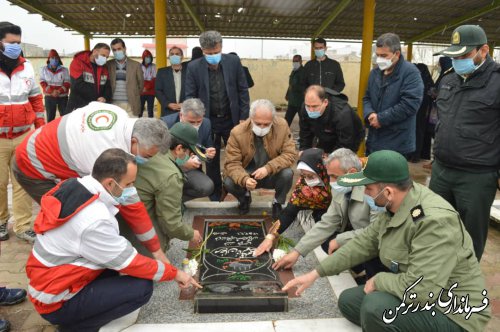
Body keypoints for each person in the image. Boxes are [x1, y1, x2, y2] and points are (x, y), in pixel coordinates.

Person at [283, 150, 491, 332]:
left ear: (388, 191)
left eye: (368, 189)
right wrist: (315, 274)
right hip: (419, 293)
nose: (364, 193)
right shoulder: (396, 204)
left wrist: (380, 281)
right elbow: (363, 243)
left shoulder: (435, 222)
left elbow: (421, 290)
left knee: (376, 306)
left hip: (452, 312)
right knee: (349, 302)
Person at [26, 148, 201, 332]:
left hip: (51, 279)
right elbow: (131, 262)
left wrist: (156, 250)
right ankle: (77, 327)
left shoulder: (79, 185)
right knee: (141, 288)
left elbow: (137, 217)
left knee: (125, 271)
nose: (131, 189)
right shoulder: (94, 220)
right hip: (56, 299)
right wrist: (175, 274)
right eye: (128, 184)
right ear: (110, 183)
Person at [13, 102, 170, 263]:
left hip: (45, 143)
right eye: (147, 156)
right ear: (135, 141)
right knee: (71, 215)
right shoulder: (104, 150)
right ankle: (64, 262)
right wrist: (156, 251)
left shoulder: (120, 115)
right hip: (32, 165)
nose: (146, 160)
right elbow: (132, 206)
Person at [430, 25, 500, 261]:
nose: (458, 60)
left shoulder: (497, 82)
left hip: (476, 176)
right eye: (455, 56)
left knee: (470, 238)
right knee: (434, 229)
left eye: (465, 55)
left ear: (484, 50)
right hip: (442, 170)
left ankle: (463, 290)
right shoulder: (449, 80)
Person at [185, 30, 250, 201]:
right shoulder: (193, 67)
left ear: (221, 47)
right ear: (202, 50)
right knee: (210, 159)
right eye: (209, 53)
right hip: (208, 121)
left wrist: (244, 116)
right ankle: (215, 195)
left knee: (237, 156)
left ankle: (239, 190)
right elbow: (190, 96)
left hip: (232, 119)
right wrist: (196, 121)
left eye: (216, 52)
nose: (213, 56)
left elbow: (242, 89)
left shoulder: (233, 62)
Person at [123, 123, 205, 256]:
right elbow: (171, 223)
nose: (188, 157)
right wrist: (191, 234)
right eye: (188, 153)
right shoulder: (171, 175)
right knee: (155, 258)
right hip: (137, 225)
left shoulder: (150, 150)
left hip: (122, 216)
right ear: (179, 149)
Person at [0, 22, 44, 243]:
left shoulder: (26, 66)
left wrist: (40, 128)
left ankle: (23, 226)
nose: (16, 46)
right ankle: (1, 222)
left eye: (18, 42)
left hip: (23, 135)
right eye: (11, 43)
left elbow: (36, 98)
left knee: (22, 182)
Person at [223, 99, 296, 219]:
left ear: (273, 120)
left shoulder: (282, 126)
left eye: (267, 124)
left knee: (287, 173)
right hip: (247, 175)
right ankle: (244, 198)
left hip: (271, 173)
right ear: (251, 118)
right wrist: (244, 179)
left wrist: (268, 168)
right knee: (229, 181)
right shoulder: (237, 132)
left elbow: (290, 154)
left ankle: (278, 202)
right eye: (258, 123)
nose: (262, 127)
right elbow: (232, 163)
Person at [254, 148, 332, 254]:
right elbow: (289, 213)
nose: (308, 180)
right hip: (324, 214)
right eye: (304, 175)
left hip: (343, 217)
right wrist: (270, 236)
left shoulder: (335, 179)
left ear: (322, 170)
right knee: (327, 243)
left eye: (311, 176)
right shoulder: (303, 187)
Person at [363, 33, 423, 157]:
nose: (380, 59)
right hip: (374, 139)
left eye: (384, 56)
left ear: (397, 54)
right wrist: (370, 114)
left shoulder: (410, 73)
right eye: (378, 55)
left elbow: (410, 104)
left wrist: (381, 118)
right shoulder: (375, 73)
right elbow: (367, 97)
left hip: (397, 142)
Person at [162, 98, 216, 202]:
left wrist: (207, 155)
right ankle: (167, 201)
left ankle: (177, 201)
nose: (195, 125)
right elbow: (158, 158)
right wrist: (182, 163)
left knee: (207, 187)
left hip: (191, 170)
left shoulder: (206, 124)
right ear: (181, 115)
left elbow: (205, 151)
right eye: (191, 122)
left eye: (198, 121)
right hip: (167, 170)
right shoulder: (165, 124)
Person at [299, 85, 364, 154]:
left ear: (325, 102)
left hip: (351, 136)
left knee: (342, 160)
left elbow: (345, 144)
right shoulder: (306, 107)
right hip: (325, 132)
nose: (311, 110)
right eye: (308, 106)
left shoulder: (341, 114)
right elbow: (305, 132)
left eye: (315, 106)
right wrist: (304, 150)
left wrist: (331, 158)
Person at [66, 43, 112, 113]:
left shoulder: (104, 68)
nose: (105, 59)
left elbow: (107, 87)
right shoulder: (78, 62)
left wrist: (105, 98)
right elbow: (77, 85)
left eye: (107, 57)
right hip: (78, 107)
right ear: (94, 52)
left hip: (96, 107)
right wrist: (96, 98)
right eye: (103, 55)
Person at [107, 38, 144, 118]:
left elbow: (140, 85)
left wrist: (133, 93)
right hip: (112, 105)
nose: (117, 51)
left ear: (124, 48)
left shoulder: (136, 65)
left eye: (119, 49)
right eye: (114, 50)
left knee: (131, 129)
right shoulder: (108, 65)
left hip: (131, 105)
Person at [410, 63, 434, 162]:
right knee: (419, 133)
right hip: (423, 115)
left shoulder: (413, 81)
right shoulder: (428, 82)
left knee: (415, 132)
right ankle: (417, 155)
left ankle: (413, 155)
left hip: (415, 113)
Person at [39, 49, 70, 122]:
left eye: (56, 58)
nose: (54, 60)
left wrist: (59, 91)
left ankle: (64, 132)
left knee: (64, 117)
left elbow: (67, 83)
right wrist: (51, 91)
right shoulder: (43, 70)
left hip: (63, 97)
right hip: (49, 97)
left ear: (59, 59)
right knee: (50, 118)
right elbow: (42, 82)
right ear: (49, 59)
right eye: (52, 58)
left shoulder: (64, 70)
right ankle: (50, 133)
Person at [155, 46, 187, 116]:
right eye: (172, 54)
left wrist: (185, 104)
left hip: (185, 111)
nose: (174, 56)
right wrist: (167, 104)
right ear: (169, 57)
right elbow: (158, 91)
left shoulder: (189, 72)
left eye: (177, 54)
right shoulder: (162, 72)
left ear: (182, 57)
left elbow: (193, 90)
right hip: (168, 111)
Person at [284, 54, 306, 126]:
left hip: (300, 101)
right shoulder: (294, 71)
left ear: (301, 61)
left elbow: (304, 87)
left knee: (303, 122)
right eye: (293, 61)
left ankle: (303, 137)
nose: (295, 63)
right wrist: (287, 95)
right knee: (286, 120)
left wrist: (294, 87)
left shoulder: (303, 72)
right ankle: (284, 135)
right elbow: (290, 84)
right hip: (292, 101)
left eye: (296, 61)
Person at [139, 49, 156, 118]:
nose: (148, 59)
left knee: (150, 109)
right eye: (146, 57)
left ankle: (151, 124)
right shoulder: (139, 66)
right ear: (143, 58)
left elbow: (154, 79)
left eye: (149, 57)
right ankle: (137, 123)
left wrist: (147, 87)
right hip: (141, 91)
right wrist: (141, 88)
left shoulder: (153, 66)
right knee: (140, 109)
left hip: (151, 91)